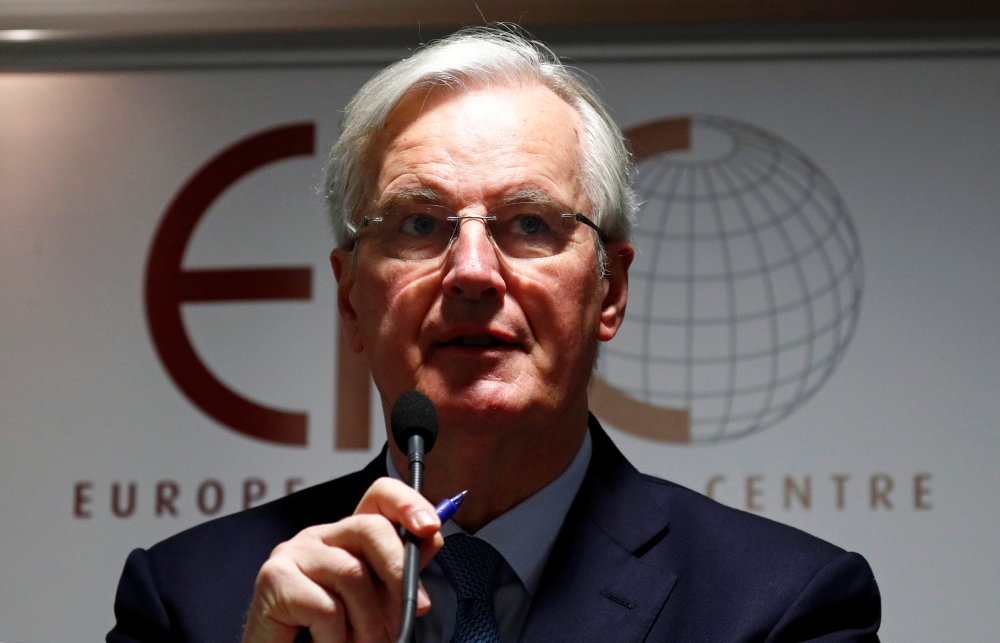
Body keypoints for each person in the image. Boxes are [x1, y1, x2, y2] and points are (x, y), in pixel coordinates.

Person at [108, 26, 881, 643]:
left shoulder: (786, 606)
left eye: (530, 223)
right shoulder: (191, 601)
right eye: (419, 223)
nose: (472, 271)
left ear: (611, 288)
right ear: (350, 298)